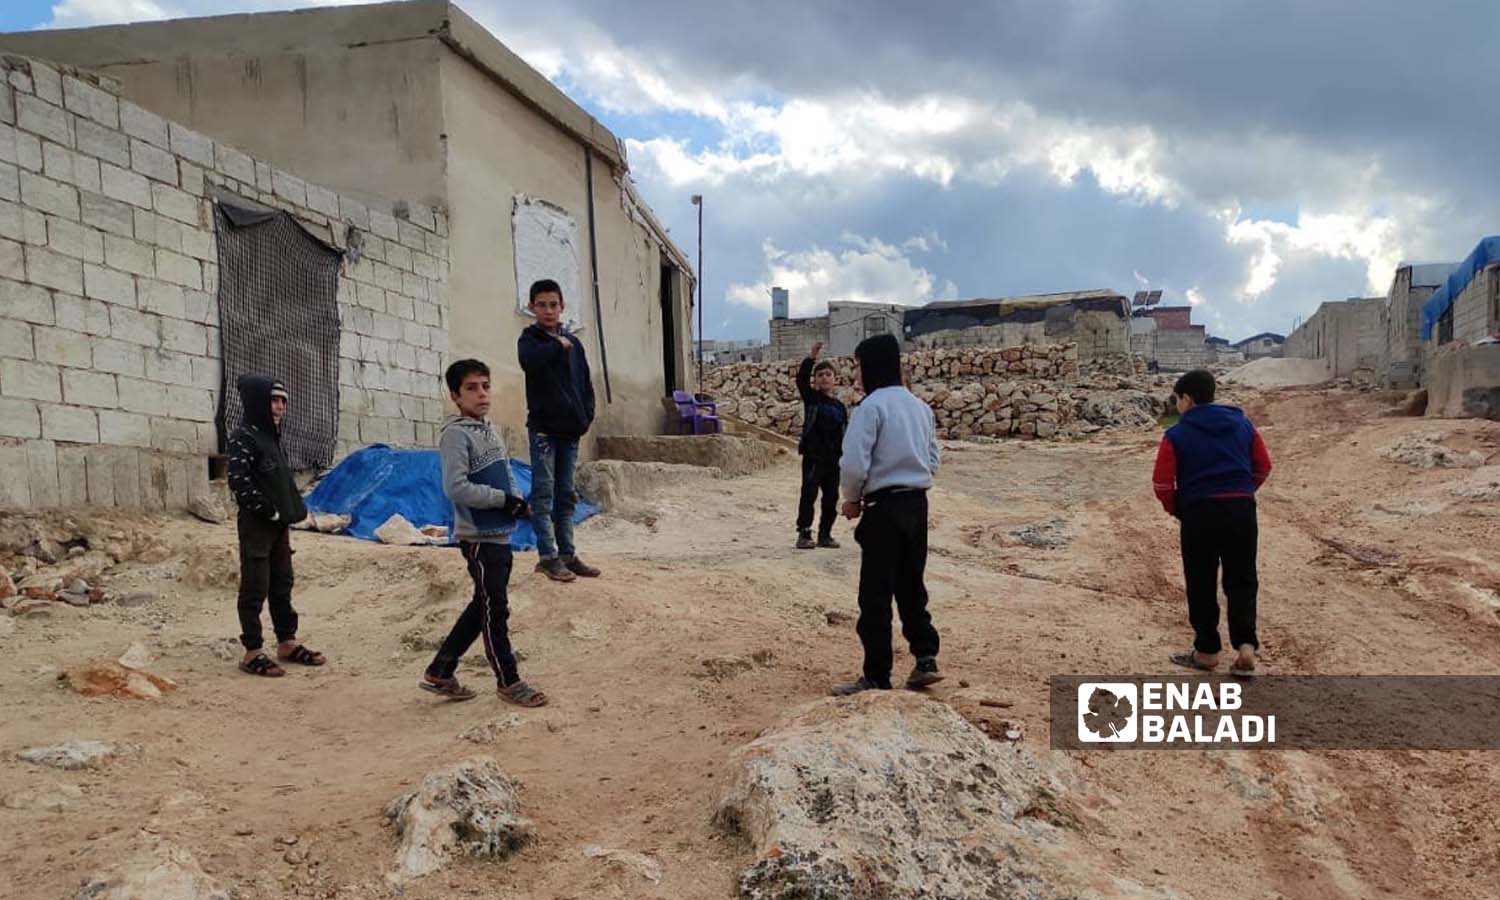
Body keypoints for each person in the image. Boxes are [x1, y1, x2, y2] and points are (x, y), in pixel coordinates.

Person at [420, 359, 548, 706]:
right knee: (496, 609)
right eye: (471, 388)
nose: (481, 394)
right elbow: (456, 487)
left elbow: (501, 477)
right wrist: (504, 501)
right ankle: (509, 680)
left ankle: (441, 670)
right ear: (455, 396)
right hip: (478, 537)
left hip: (499, 533)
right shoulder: (455, 435)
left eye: (485, 386)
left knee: (484, 605)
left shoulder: (487, 429)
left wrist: (519, 504)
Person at [831, 334, 944, 696]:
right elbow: (933, 460)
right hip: (917, 505)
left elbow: (853, 464)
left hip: (883, 510)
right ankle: (925, 658)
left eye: (860, 366)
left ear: (872, 366)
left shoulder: (870, 408)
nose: (858, 375)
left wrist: (851, 499)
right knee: (912, 585)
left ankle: (877, 675)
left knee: (875, 594)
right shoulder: (919, 407)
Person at [1153, 369, 1272, 678]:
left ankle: (1206, 651)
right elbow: (1263, 466)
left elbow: (1163, 484)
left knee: (1201, 580)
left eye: (1177, 399)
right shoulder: (1243, 424)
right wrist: (1242, 492)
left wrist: (1179, 508)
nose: (1177, 406)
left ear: (1187, 399)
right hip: (1241, 510)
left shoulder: (1176, 434)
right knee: (1242, 578)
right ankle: (1246, 646)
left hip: (1199, 514)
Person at [227, 374, 325, 677]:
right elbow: (239, 483)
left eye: (283, 400)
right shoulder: (243, 436)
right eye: (273, 399)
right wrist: (267, 510)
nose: (280, 406)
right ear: (258, 401)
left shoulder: (271, 437)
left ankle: (286, 642)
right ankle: (252, 651)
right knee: (255, 584)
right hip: (257, 525)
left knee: (282, 582)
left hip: (278, 525)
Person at [517, 279, 599, 583]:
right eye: (542, 305)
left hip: (570, 431)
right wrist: (554, 345)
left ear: (562, 307)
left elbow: (585, 382)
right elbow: (530, 363)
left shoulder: (574, 343)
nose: (549, 310)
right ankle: (547, 557)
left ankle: (567, 554)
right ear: (532, 307)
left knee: (566, 495)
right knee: (543, 494)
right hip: (544, 432)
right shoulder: (530, 341)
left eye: (554, 304)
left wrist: (586, 415)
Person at [794, 341, 848, 550]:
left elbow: (845, 432)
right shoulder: (812, 399)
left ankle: (825, 534)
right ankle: (804, 533)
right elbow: (800, 380)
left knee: (831, 497)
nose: (824, 377)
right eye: (820, 375)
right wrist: (812, 357)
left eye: (828, 374)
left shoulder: (839, 407)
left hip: (834, 460)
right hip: (814, 457)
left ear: (835, 380)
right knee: (809, 494)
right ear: (815, 381)